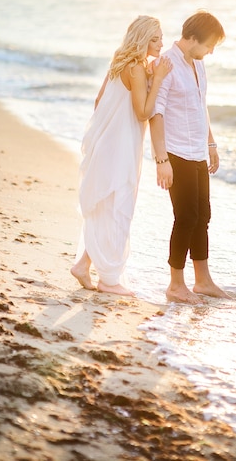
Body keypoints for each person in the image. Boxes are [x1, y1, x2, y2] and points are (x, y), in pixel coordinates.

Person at [71, 16, 172, 295]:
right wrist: (159, 79)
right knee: (119, 207)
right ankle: (109, 280)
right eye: (155, 39)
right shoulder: (137, 68)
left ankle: (82, 265)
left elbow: (98, 102)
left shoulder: (119, 61)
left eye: (162, 38)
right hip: (122, 146)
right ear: (141, 39)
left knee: (107, 204)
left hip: (107, 142)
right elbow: (142, 113)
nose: (161, 43)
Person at [149, 10, 228, 304]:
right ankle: (175, 285)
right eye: (209, 45)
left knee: (203, 217)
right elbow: (155, 113)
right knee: (185, 218)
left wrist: (211, 144)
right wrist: (161, 160)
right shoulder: (165, 63)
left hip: (197, 151)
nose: (210, 52)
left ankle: (203, 281)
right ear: (192, 38)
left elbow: (200, 104)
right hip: (176, 152)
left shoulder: (198, 64)